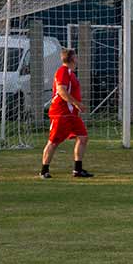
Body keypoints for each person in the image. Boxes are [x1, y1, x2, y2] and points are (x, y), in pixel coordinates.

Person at [39, 48, 91, 179]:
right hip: (61, 113)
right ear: (72, 58)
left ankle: (77, 169)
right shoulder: (63, 71)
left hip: (72, 114)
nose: (77, 59)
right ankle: (44, 170)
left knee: (83, 137)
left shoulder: (71, 73)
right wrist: (76, 103)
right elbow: (61, 91)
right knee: (54, 142)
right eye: (76, 57)